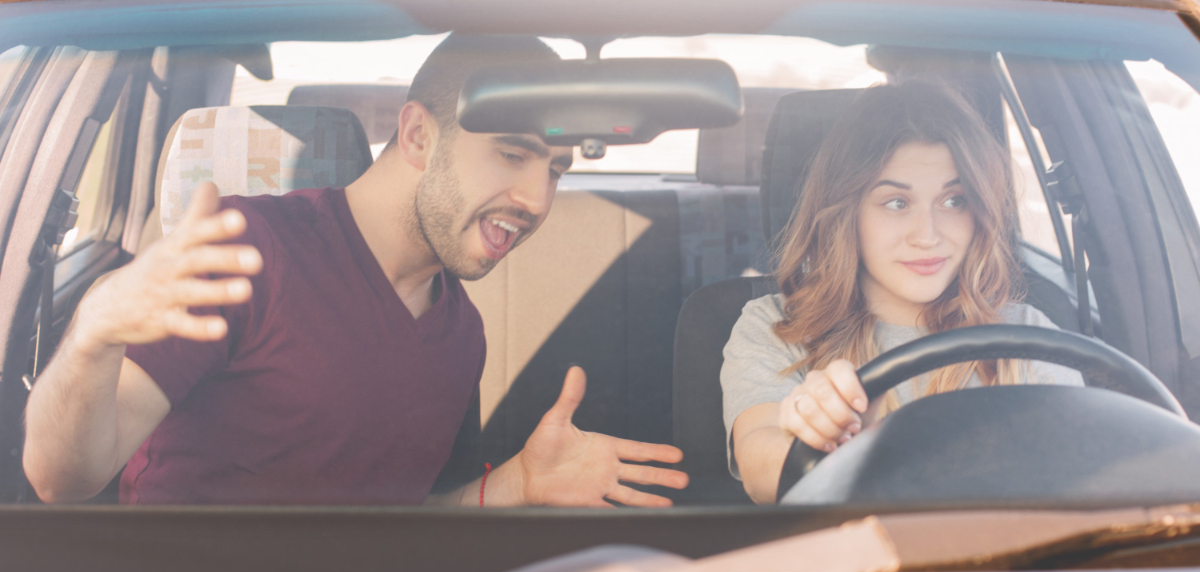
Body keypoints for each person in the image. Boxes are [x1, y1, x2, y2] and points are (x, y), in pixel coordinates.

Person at [22, 34, 688, 506]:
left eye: (557, 169)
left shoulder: (462, 334)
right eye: (514, 154)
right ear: (419, 136)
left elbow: (395, 535)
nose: (539, 200)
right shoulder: (245, 253)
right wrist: (92, 339)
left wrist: (512, 487)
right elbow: (63, 478)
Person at [721, 81, 1083, 504]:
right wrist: (825, 439)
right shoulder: (776, 327)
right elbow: (762, 468)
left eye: (954, 201)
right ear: (847, 212)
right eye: (896, 203)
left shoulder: (1025, 335)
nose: (928, 237)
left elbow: (1082, 468)